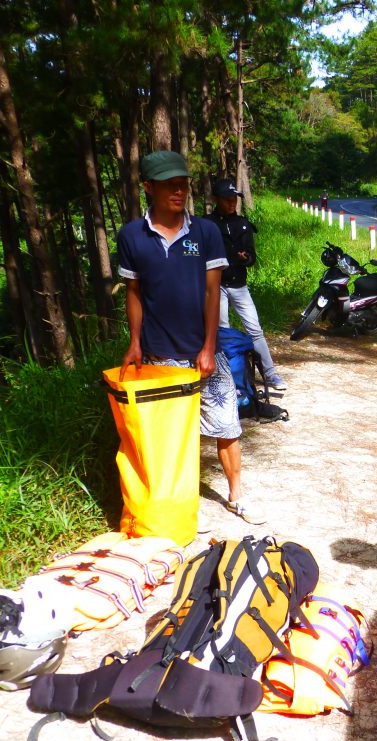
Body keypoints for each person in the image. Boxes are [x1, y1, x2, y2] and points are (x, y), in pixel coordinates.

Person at [117, 151, 262, 525]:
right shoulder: (132, 236)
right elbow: (134, 292)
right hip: (157, 356)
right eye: (170, 185)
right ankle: (174, 503)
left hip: (202, 353)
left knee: (227, 423)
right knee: (168, 435)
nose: (179, 191)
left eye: (183, 184)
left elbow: (214, 293)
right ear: (148, 187)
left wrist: (209, 347)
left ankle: (235, 496)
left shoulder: (205, 232)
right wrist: (135, 343)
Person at [207, 178, 287, 391]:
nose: (232, 202)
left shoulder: (243, 224)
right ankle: (228, 378)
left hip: (239, 285)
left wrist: (246, 258)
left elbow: (252, 257)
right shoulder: (207, 225)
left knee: (255, 329)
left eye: (234, 198)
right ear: (216, 199)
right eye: (227, 199)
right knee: (222, 330)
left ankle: (270, 374)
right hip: (217, 287)